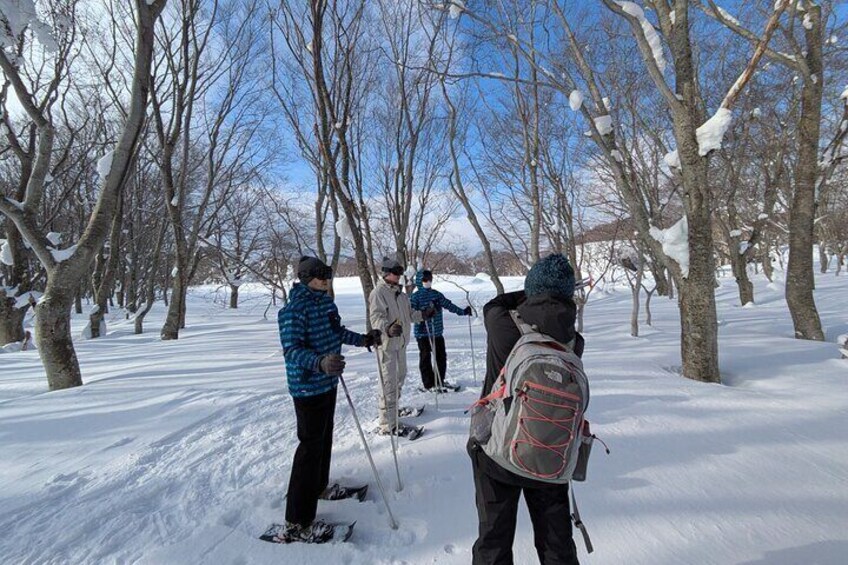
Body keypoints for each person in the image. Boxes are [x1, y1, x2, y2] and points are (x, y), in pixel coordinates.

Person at [468, 254, 585, 564]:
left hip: (496, 454)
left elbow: (494, 303)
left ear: (532, 288)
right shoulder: (574, 340)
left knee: (494, 539)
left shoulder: (501, 322)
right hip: (550, 454)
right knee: (556, 544)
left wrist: (530, 294)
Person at [277, 256, 381, 543]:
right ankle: (297, 521)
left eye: (328, 274)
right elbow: (292, 350)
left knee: (324, 439)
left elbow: (337, 332)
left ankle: (319, 487)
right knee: (309, 448)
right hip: (308, 385)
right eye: (320, 275)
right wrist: (320, 362)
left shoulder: (326, 302)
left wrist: (364, 339)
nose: (326, 279)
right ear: (305, 277)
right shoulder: (293, 310)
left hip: (328, 381)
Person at [368, 257, 435, 435]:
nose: (399, 276)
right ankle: (386, 423)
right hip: (387, 345)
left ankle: (393, 411)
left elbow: (410, 315)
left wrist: (424, 315)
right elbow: (376, 318)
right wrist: (387, 328)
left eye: (400, 273)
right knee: (388, 383)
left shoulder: (402, 294)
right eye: (396, 273)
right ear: (386, 273)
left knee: (399, 378)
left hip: (401, 344)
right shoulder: (379, 293)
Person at [410, 269, 472, 391]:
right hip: (423, 333)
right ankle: (428, 384)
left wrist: (462, 312)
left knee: (441, 357)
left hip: (437, 332)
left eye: (430, 279)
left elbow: (449, 305)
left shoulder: (436, 294)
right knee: (425, 358)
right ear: (419, 281)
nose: (428, 282)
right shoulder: (415, 297)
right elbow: (411, 314)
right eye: (425, 280)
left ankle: (439, 381)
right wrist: (424, 313)